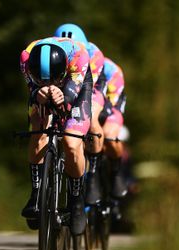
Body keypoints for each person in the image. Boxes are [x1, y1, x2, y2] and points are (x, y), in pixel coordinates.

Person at [19, 36, 92, 235]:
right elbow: (32, 89)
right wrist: (37, 93)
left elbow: (71, 94)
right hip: (41, 85)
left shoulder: (78, 55)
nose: (49, 83)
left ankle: (77, 200)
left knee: (71, 142)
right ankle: (36, 194)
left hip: (75, 86)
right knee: (37, 127)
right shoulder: (26, 57)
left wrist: (63, 97)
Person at [53, 23, 106, 205]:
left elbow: (83, 88)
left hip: (91, 85)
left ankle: (93, 174)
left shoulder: (94, 54)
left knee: (90, 117)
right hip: (64, 82)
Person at [99, 57, 128, 200]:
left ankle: (117, 172)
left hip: (111, 104)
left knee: (108, 135)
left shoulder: (110, 69)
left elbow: (112, 104)